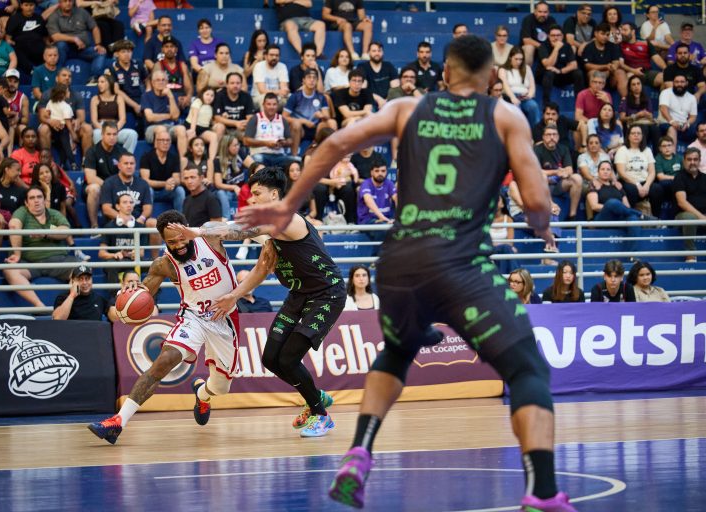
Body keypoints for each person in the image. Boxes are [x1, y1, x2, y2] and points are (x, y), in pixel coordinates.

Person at [236, 35, 575, 511]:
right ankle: (541, 490)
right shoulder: (505, 116)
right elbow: (537, 202)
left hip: (399, 262)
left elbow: (335, 143)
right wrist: (542, 227)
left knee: (396, 352)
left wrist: (290, 203)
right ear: (492, 77)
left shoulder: (406, 108)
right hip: (460, 262)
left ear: (445, 73)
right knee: (528, 368)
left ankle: (359, 453)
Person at [87, 210, 277, 444]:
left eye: (181, 238)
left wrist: (267, 241)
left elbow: (247, 228)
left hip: (224, 318)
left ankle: (202, 394)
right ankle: (118, 422)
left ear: (188, 230)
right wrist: (131, 295)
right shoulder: (164, 264)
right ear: (164, 241)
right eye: (171, 242)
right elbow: (144, 293)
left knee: (221, 387)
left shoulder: (210, 236)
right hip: (193, 318)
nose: (178, 245)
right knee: (164, 361)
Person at [209, 167, 346, 438]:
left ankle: (321, 415)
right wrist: (234, 295)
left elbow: (240, 231)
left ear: (274, 194)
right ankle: (315, 395)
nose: (252, 199)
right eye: (250, 194)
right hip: (299, 295)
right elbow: (261, 269)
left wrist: (197, 232)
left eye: (257, 193)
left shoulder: (285, 219)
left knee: (289, 358)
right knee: (271, 358)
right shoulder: (271, 233)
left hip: (326, 295)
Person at [3, 185, 79, 308]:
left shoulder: (54, 213)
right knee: (9, 270)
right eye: (32, 198)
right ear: (26, 203)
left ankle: (69, 306)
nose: (36, 200)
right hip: (30, 263)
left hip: (57, 261)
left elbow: (65, 231)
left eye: (39, 197)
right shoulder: (22, 212)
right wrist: (17, 254)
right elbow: (13, 225)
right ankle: (39, 305)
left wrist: (45, 233)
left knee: (83, 270)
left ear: (44, 200)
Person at [587, 160, 649, 253]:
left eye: (608, 169)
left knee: (633, 219)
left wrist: (617, 207)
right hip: (603, 218)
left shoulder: (618, 186)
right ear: (598, 172)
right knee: (612, 203)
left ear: (611, 172)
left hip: (619, 218)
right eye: (602, 169)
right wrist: (611, 207)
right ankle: (641, 215)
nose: (605, 171)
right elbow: (594, 206)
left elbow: (627, 206)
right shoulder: (594, 185)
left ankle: (632, 255)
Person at [47, 0, 107, 85]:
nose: (68, 3)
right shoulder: (54, 16)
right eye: (65, 1)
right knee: (60, 45)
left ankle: (94, 78)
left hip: (84, 49)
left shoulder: (82, 12)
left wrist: (98, 44)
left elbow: (95, 28)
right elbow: (55, 36)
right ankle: (57, 77)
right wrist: (74, 39)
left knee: (101, 52)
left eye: (70, 1)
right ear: (59, 3)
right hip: (66, 50)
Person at [283, 68, 336, 157]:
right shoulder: (295, 96)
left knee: (331, 122)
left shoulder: (321, 97)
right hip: (301, 129)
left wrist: (322, 115)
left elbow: (327, 116)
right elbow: (284, 117)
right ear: (303, 80)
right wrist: (303, 121)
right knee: (296, 124)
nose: (311, 80)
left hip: (316, 128)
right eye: (309, 77)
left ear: (317, 81)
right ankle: (294, 156)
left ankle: (330, 154)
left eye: (314, 78)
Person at [535, 124, 582, 220]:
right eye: (548, 135)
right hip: (542, 185)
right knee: (542, 176)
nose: (552, 137)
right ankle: (551, 204)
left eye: (554, 134)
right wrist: (556, 172)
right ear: (543, 137)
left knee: (577, 178)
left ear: (558, 137)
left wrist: (565, 173)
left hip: (559, 184)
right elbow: (536, 172)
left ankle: (572, 215)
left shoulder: (563, 149)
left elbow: (569, 169)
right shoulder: (537, 150)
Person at [615, 124, 663, 217]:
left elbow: (652, 172)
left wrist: (647, 185)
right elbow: (621, 172)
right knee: (631, 190)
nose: (636, 135)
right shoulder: (622, 150)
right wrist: (637, 184)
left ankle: (656, 218)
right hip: (628, 181)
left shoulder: (647, 150)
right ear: (628, 136)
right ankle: (631, 217)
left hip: (644, 181)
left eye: (638, 133)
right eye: (633, 133)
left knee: (657, 189)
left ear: (642, 136)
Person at [83, 74, 137, 154]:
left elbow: (123, 119)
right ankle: (101, 158)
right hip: (101, 127)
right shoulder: (95, 99)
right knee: (96, 133)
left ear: (109, 83)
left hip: (115, 127)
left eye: (102, 82)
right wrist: (104, 130)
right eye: (98, 82)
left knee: (132, 134)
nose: (99, 84)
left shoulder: (119, 98)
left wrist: (114, 130)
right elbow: (94, 121)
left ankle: (125, 157)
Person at [141, 70, 187, 163]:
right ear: (153, 83)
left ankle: (183, 162)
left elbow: (175, 116)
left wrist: (171, 97)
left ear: (167, 82)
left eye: (163, 80)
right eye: (158, 80)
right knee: (161, 129)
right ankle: (159, 161)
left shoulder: (172, 95)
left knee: (181, 129)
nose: (161, 82)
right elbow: (150, 117)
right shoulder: (146, 96)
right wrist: (169, 116)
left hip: (170, 127)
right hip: (152, 129)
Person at [97, 191, 140, 283]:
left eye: (131, 202)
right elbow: (101, 253)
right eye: (125, 202)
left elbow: (142, 253)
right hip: (116, 261)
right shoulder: (109, 227)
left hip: (133, 261)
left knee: (154, 265)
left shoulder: (140, 226)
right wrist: (114, 255)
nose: (129, 205)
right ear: (117, 206)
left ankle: (151, 293)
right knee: (111, 265)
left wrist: (134, 254)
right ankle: (115, 292)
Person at [140, 125, 185, 212]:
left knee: (180, 190)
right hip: (152, 190)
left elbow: (177, 179)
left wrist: (172, 183)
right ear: (156, 143)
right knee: (148, 190)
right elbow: (145, 181)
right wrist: (165, 183)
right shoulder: (146, 157)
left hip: (167, 190)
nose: (165, 143)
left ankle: (180, 218)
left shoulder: (174, 158)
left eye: (168, 140)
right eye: (162, 140)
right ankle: (148, 218)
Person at [673, 147, 706, 263]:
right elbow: (682, 202)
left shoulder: (705, 178)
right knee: (690, 217)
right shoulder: (679, 177)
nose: (692, 162)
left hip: (704, 216)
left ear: (699, 161)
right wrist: (701, 217)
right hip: (683, 216)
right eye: (689, 159)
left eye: (695, 159)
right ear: (684, 161)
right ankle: (690, 255)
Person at [244, 93, 295, 167]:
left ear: (278, 106)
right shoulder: (256, 118)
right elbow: (246, 141)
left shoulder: (282, 119)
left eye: (274, 104)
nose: (271, 107)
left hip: (279, 155)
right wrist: (266, 143)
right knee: (257, 159)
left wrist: (283, 143)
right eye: (269, 104)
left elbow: (290, 140)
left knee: (296, 161)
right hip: (260, 153)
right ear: (263, 105)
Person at [536, 25, 584, 105]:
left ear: (562, 36)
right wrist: (556, 49)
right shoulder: (543, 46)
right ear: (548, 36)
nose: (556, 38)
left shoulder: (567, 46)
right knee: (549, 73)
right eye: (553, 35)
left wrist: (560, 71)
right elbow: (548, 64)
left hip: (561, 73)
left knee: (578, 73)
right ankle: (546, 104)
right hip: (545, 76)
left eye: (558, 35)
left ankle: (579, 103)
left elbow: (574, 65)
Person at [498, 46, 539, 129]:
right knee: (516, 108)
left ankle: (535, 133)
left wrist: (529, 95)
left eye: (521, 59)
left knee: (533, 106)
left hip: (524, 97)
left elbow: (532, 86)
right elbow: (505, 85)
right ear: (510, 57)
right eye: (516, 59)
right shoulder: (503, 69)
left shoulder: (527, 68)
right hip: (509, 97)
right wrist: (513, 97)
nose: (518, 62)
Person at [5, 0, 47, 77]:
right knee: (14, 49)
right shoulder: (14, 18)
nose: (29, 8)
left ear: (35, 6)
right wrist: (12, 43)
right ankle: (32, 70)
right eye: (26, 5)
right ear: (21, 6)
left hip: (37, 47)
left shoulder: (39, 18)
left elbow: (45, 37)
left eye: (31, 5)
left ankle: (43, 70)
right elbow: (8, 38)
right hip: (21, 47)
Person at [581, 22, 624, 95]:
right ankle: (594, 97)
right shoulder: (589, 47)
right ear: (596, 33)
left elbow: (616, 62)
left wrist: (612, 67)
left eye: (607, 34)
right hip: (594, 73)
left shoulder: (613, 46)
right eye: (602, 34)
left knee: (620, 72)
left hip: (609, 75)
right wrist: (605, 67)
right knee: (593, 73)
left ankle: (624, 99)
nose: (605, 37)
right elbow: (587, 66)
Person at [153, 35, 193, 111]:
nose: (169, 49)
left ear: (176, 49)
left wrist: (188, 97)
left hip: (182, 100)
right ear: (162, 49)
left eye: (172, 46)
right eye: (166, 47)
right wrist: (174, 99)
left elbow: (188, 87)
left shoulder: (182, 65)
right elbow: (157, 90)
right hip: (165, 100)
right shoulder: (158, 65)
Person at [657, 74, 698, 149]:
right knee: (672, 129)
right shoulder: (666, 93)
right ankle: (672, 154)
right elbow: (663, 109)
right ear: (673, 83)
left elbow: (693, 117)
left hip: (683, 125)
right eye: (677, 82)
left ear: (686, 83)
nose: (679, 84)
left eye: (682, 82)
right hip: (666, 123)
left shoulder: (692, 97)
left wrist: (687, 124)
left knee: (701, 131)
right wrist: (672, 122)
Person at [108, 39, 145, 119]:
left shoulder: (138, 64)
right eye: (123, 52)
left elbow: (147, 81)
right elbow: (116, 90)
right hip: (123, 101)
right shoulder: (113, 68)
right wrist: (135, 105)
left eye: (129, 51)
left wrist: (147, 96)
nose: (127, 54)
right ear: (117, 54)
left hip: (139, 98)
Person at [356, 42, 398, 108]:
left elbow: (395, 88)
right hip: (370, 102)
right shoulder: (362, 67)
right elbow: (363, 89)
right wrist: (379, 99)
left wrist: (386, 101)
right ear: (369, 52)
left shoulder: (389, 66)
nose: (377, 53)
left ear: (383, 52)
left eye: (379, 51)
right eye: (374, 51)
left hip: (388, 101)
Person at [251, 43, 289, 108]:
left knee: (291, 98)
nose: (274, 57)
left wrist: (281, 92)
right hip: (259, 97)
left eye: (277, 55)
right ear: (265, 56)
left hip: (278, 97)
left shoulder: (282, 66)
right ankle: (265, 115)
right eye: (271, 55)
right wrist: (279, 92)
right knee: (266, 99)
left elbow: (284, 89)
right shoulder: (259, 66)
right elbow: (262, 91)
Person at [520, 0, 557, 66]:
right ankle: (526, 71)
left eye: (545, 12)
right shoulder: (528, 19)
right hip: (533, 48)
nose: (542, 14)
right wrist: (540, 46)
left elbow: (555, 36)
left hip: (547, 48)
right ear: (535, 12)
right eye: (540, 12)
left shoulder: (552, 20)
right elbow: (526, 40)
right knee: (529, 47)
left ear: (548, 12)